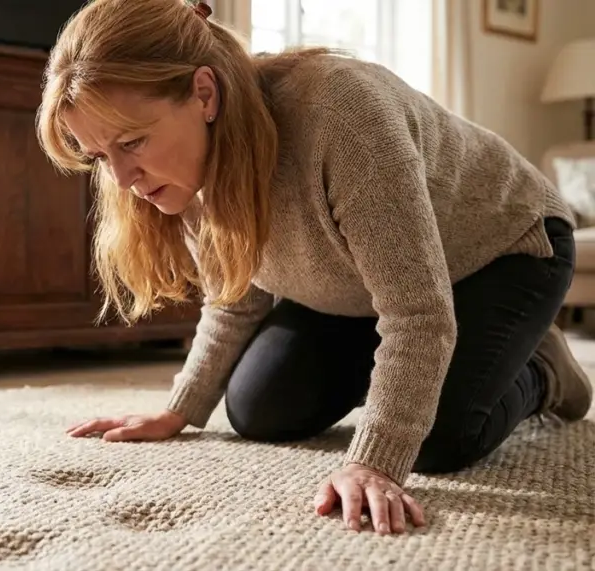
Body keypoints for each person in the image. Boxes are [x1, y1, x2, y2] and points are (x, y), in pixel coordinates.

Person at [37, 0, 593, 536]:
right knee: (260, 410)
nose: (122, 179)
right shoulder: (185, 170)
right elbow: (236, 298)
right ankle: (447, 363)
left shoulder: (343, 114)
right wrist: (177, 410)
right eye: (100, 157)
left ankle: (543, 369)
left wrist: (373, 462)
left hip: (504, 250)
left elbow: (417, 313)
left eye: (133, 141)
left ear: (204, 93)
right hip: (364, 286)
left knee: (435, 440)